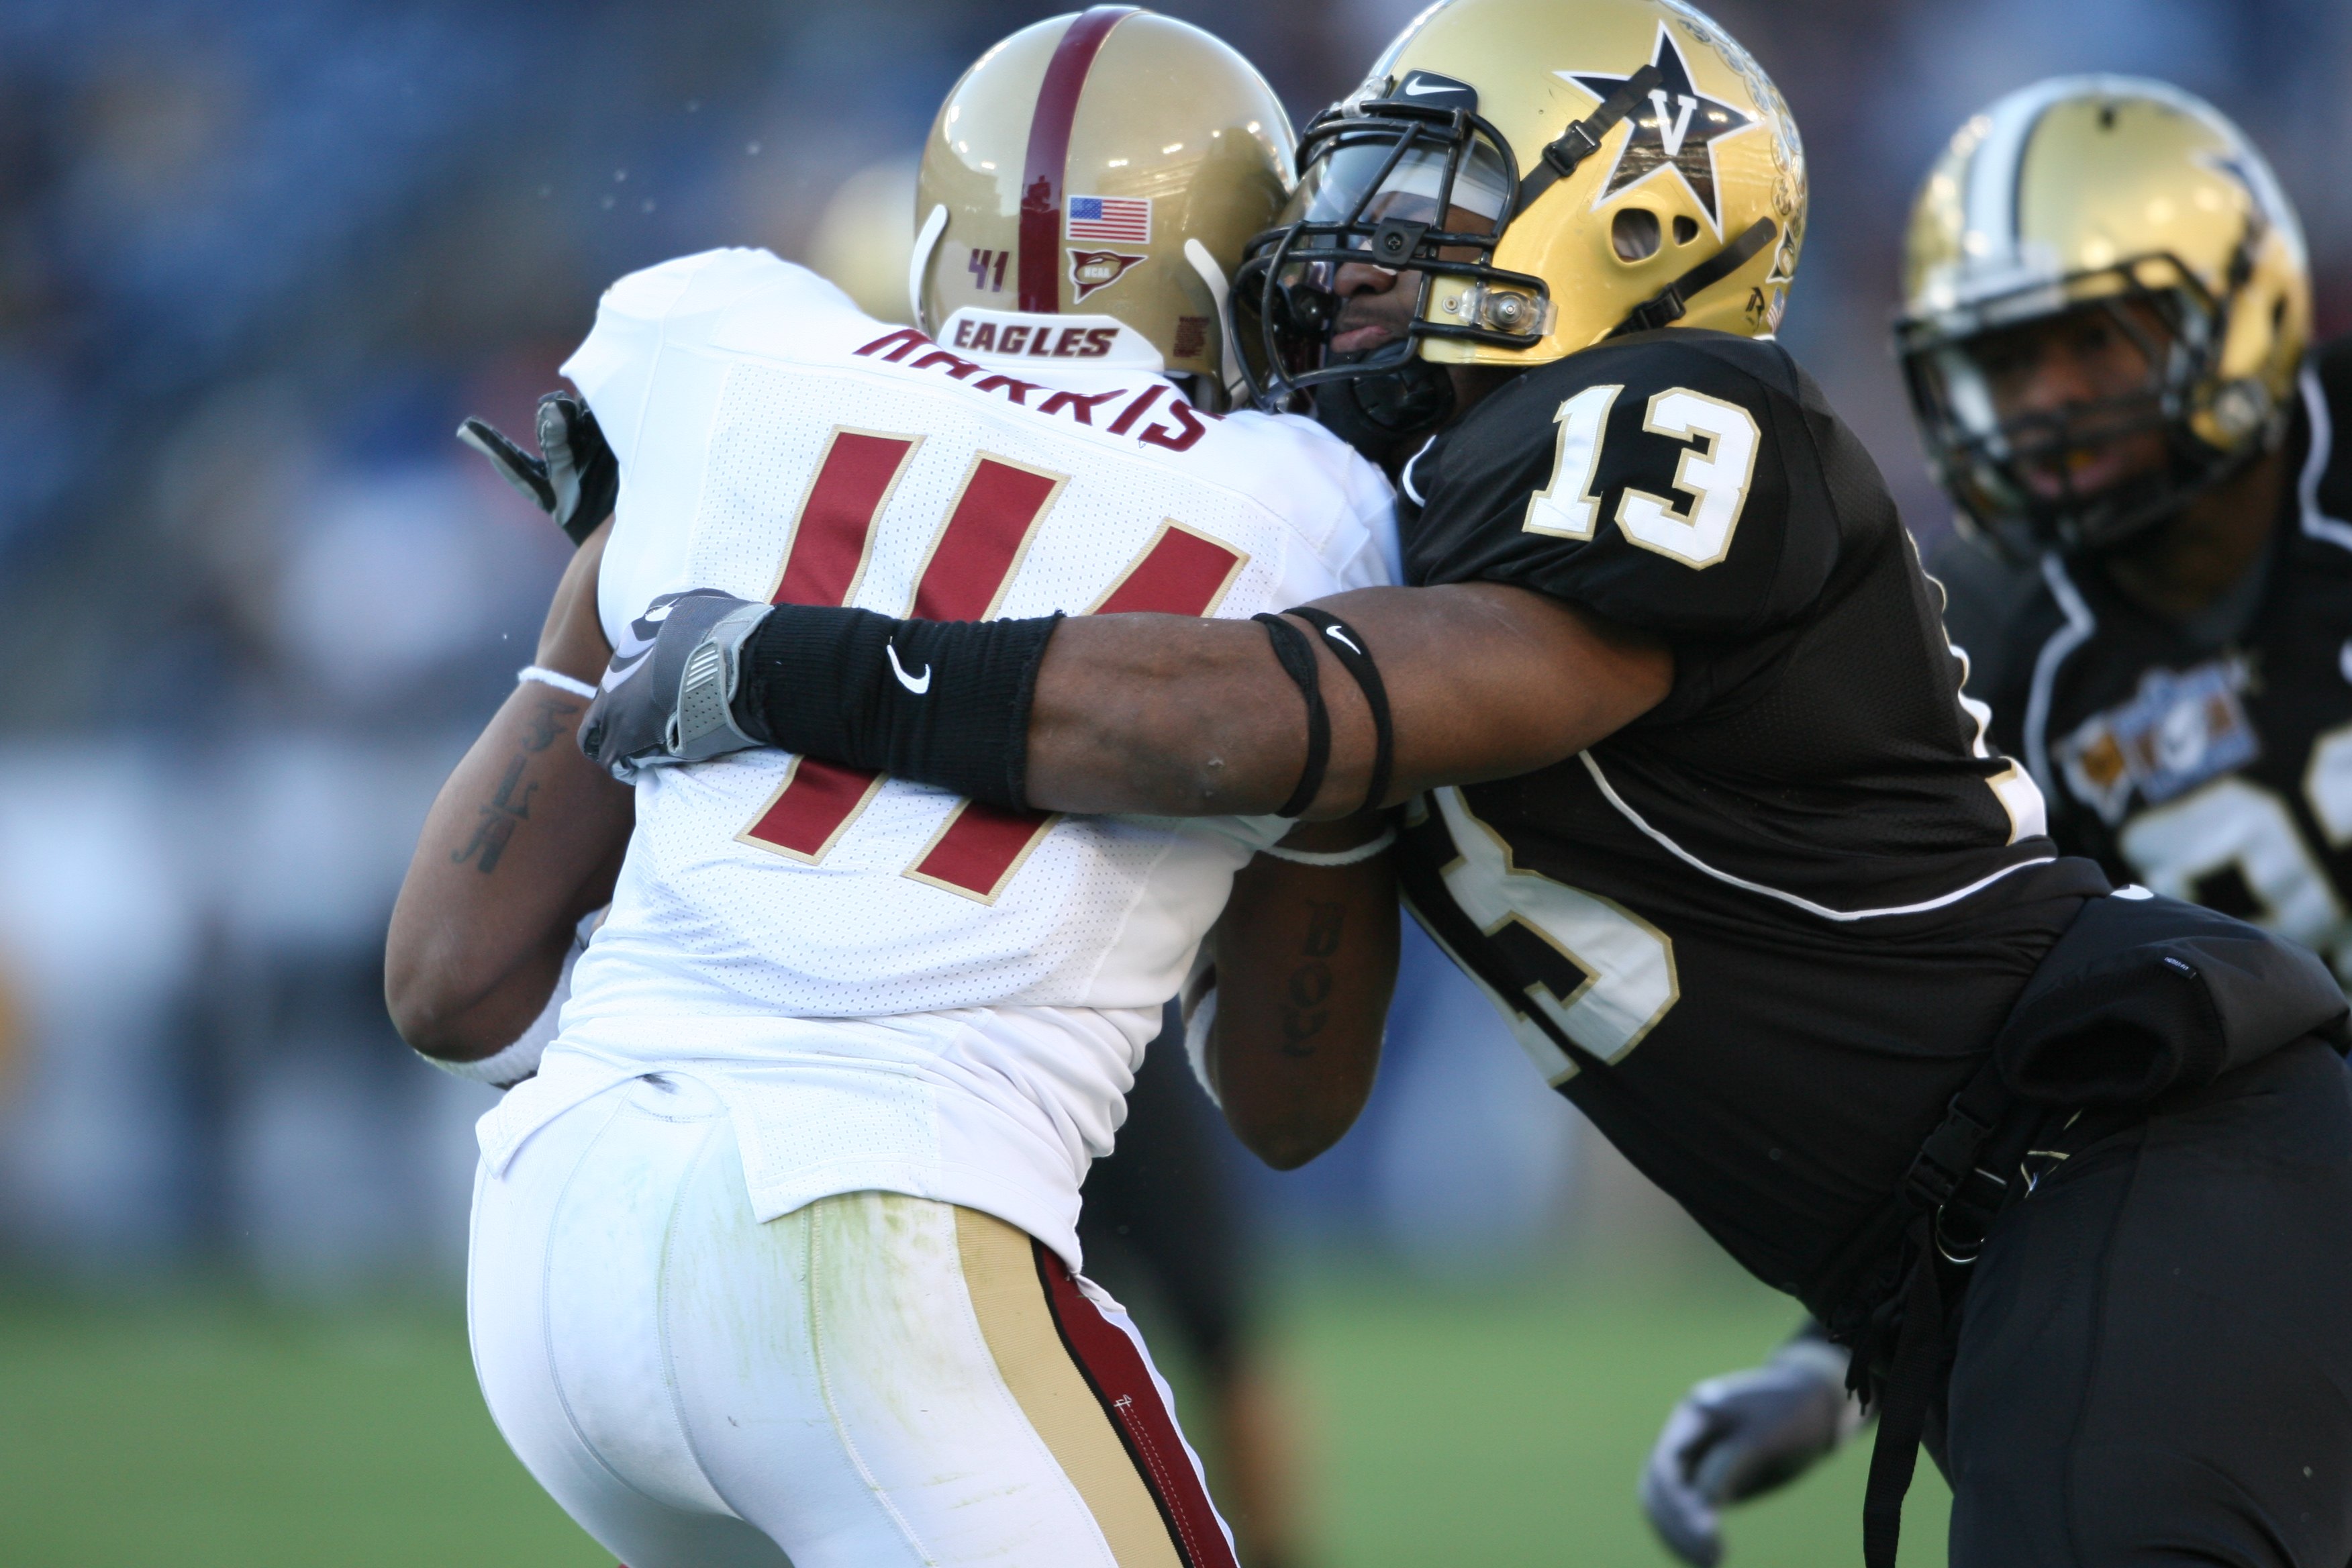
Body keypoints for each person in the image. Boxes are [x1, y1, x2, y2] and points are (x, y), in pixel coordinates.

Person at [584, 7, 2352, 1567]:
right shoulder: (1396, 511)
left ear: (1637, 226)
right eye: (1351, 207)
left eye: (1422, 211)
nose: (1341, 261)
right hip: (2003, 1255)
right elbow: (1287, 1091)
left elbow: (1316, 713)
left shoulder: (1690, 413)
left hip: (2136, 1171)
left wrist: (803, 666)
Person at [384, 12, 1404, 1567]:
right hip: (883, 1252)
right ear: (1242, 267)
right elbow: (1287, 1098)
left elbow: (447, 985)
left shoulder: (726, 359)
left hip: (551, 1239)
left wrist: (608, 583)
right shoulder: (1315, 511)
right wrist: (1354, 797)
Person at [1638, 77, 2350, 1567]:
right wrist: (1834, 1361)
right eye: (2003, 365)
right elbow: (1978, 1052)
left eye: (2090, 343)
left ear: (2242, 304)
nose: (2044, 406)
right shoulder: (1987, 640)